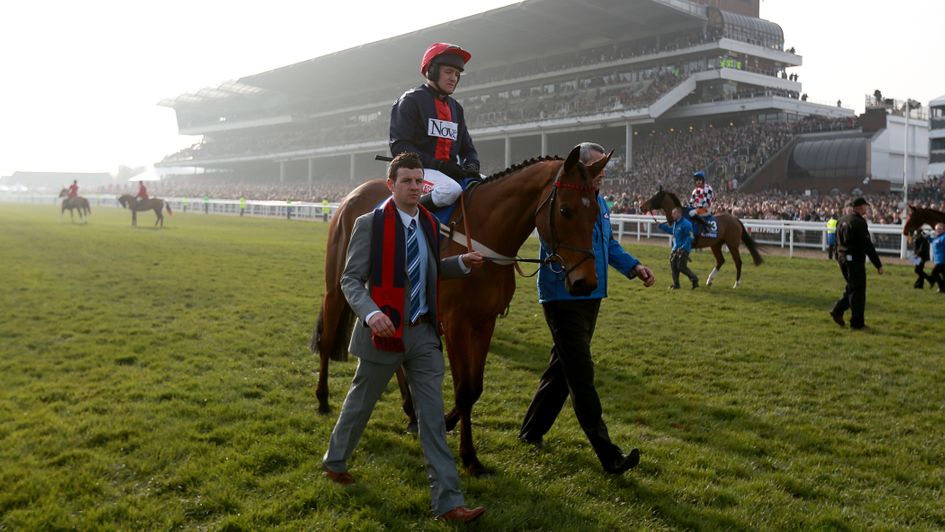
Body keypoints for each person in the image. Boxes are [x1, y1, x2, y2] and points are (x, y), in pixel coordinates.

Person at [322, 152, 486, 523]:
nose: (414, 187)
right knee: (360, 404)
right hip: (383, 334)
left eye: (418, 181)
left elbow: (426, 271)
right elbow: (350, 280)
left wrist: (460, 264)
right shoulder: (370, 224)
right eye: (407, 181)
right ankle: (335, 460)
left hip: (424, 335)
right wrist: (372, 312)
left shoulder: (429, 224)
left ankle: (448, 503)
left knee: (432, 421)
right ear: (390, 185)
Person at [519, 142, 656, 474]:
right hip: (561, 295)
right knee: (581, 375)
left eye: (602, 170)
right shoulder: (559, 199)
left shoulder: (600, 202)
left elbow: (607, 243)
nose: (600, 175)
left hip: (592, 295)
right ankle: (609, 455)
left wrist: (634, 267)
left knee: (561, 371)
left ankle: (530, 432)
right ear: (577, 168)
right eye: (595, 168)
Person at [390, 43, 480, 212]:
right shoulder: (410, 101)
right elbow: (400, 146)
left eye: (457, 74)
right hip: (418, 172)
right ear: (431, 70)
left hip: (449, 173)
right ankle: (405, 216)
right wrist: (439, 165)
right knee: (450, 190)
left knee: (488, 187)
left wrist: (471, 165)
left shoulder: (456, 108)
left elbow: (468, 148)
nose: (454, 78)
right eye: (448, 72)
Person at [829, 197, 884, 330]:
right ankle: (856, 322)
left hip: (843, 259)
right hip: (854, 261)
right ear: (860, 207)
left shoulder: (842, 220)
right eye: (865, 206)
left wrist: (837, 257)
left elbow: (837, 242)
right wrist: (878, 264)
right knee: (858, 292)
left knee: (852, 288)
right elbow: (867, 245)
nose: (866, 209)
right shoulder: (859, 222)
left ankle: (838, 310)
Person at [659, 207, 699, 289]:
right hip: (675, 248)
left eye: (674, 213)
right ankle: (676, 285)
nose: (672, 215)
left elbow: (690, 236)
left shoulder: (687, 224)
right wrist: (662, 226)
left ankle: (695, 279)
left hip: (683, 249)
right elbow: (672, 231)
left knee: (681, 267)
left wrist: (683, 247)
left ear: (679, 214)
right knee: (673, 266)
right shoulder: (676, 223)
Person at [930, 223, 945, 293]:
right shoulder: (937, 237)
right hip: (938, 260)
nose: (938, 230)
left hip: (942, 260)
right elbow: (933, 241)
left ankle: (941, 288)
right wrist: (927, 237)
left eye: (940, 229)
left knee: (934, 273)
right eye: (936, 229)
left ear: (943, 230)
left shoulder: (944, 237)